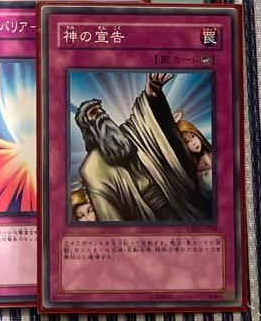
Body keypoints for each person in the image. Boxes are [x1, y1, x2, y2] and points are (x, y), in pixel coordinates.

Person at [74, 71, 211, 222]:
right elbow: (109, 215)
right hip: (144, 218)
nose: (101, 114)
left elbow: (144, 119)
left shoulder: (128, 133)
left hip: (172, 197)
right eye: (94, 112)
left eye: (101, 109)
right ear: (86, 126)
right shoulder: (91, 169)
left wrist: (151, 95)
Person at [176, 117, 213, 198]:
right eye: (187, 141)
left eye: (193, 136)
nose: (193, 142)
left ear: (197, 134)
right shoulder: (197, 174)